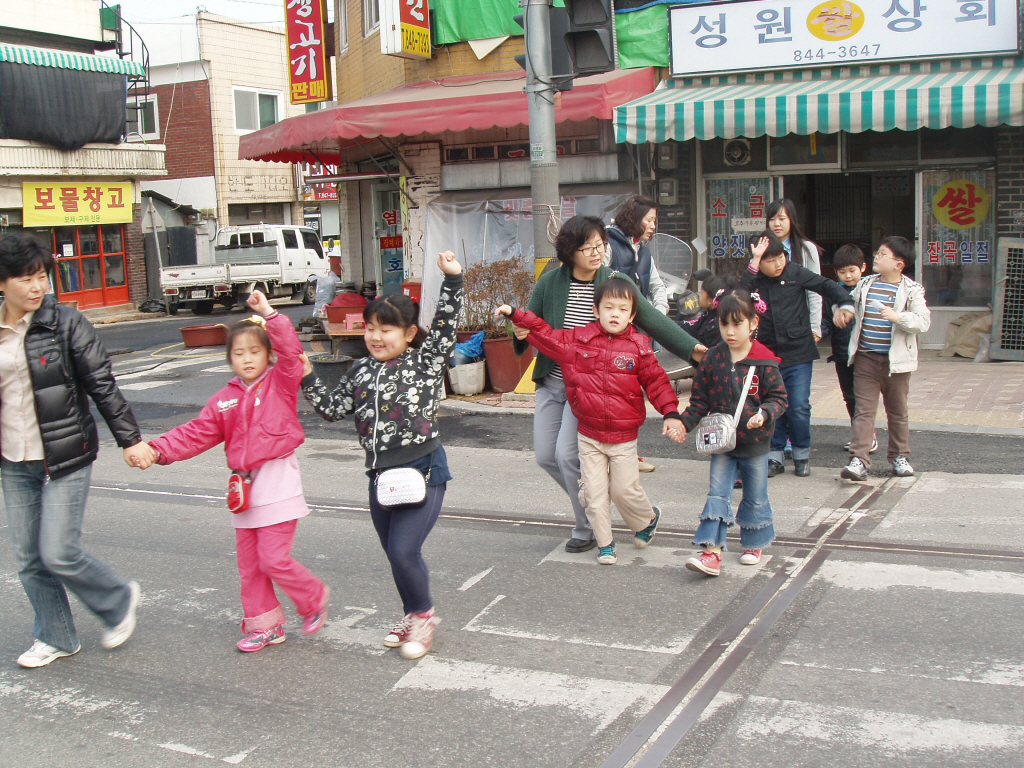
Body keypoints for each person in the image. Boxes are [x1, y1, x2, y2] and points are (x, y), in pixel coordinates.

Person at [135, 290, 329, 653]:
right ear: (230, 359)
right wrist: (155, 450)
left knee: (273, 559)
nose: (247, 359)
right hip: (244, 491)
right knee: (251, 565)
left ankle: (313, 597)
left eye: (254, 351)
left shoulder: (281, 382)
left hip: (279, 484)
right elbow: (195, 433)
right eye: (238, 353)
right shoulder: (223, 399)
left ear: (268, 354)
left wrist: (270, 313)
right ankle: (265, 625)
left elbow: (291, 352)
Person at [301, 251, 463, 660]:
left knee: (403, 551)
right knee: (396, 553)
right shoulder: (358, 370)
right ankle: (414, 613)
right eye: (370, 327)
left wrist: (453, 279)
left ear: (408, 334)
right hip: (380, 477)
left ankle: (422, 618)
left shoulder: (425, 362)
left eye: (385, 329)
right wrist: (306, 374)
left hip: (424, 470)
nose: (375, 336)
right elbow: (332, 409)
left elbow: (444, 325)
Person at [512, 216, 705, 554]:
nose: (596, 252)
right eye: (587, 247)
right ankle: (593, 500)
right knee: (546, 457)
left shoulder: (615, 281)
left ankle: (586, 526)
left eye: (600, 245)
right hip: (552, 381)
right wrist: (519, 334)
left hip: (587, 389)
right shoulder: (550, 281)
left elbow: (652, 319)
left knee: (567, 454)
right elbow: (533, 321)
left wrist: (691, 348)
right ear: (569, 252)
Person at [0, 232, 149, 669]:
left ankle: (117, 598)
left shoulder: (65, 323)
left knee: (58, 551)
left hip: (65, 454)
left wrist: (130, 440)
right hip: (14, 458)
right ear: (3, 283)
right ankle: (56, 637)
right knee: (29, 558)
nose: (36, 287)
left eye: (41, 276)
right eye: (26, 278)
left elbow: (102, 385)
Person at [496, 277, 686, 565]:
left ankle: (647, 518)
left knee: (623, 491)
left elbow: (657, 382)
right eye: (608, 307)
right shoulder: (578, 340)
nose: (614, 314)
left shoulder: (639, 346)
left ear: (632, 315)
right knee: (594, 495)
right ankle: (605, 544)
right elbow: (545, 334)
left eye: (622, 309)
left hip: (623, 438)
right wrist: (515, 314)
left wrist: (671, 413)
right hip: (589, 435)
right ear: (596, 310)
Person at [680, 289, 788, 577]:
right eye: (723, 324)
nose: (729, 331)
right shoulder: (712, 359)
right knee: (717, 494)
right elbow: (699, 400)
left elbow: (779, 398)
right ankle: (711, 552)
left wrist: (764, 414)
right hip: (721, 443)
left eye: (737, 324)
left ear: (753, 323)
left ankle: (754, 542)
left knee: (755, 494)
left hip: (756, 442)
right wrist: (683, 423)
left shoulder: (765, 361)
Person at [740, 231, 854, 477]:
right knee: (771, 405)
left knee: (799, 406)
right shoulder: (754, 278)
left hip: (799, 352)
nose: (778, 263)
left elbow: (826, 285)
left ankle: (802, 453)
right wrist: (754, 263)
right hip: (768, 354)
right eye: (770, 260)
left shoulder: (794, 273)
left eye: (781, 257)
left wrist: (845, 304)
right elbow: (738, 295)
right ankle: (775, 456)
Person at [835, 236, 930, 481]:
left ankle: (899, 457)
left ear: (899, 264)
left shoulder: (912, 289)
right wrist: (843, 311)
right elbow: (848, 301)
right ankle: (859, 460)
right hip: (865, 357)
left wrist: (898, 317)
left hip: (896, 363)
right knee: (863, 411)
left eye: (883, 254)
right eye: (877, 252)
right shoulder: (866, 284)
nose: (876, 257)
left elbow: (923, 321)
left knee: (897, 411)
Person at [606, 195, 668, 472]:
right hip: (610, 337)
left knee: (632, 396)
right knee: (611, 394)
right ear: (635, 218)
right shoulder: (608, 244)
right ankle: (606, 455)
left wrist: (659, 316)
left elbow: (656, 286)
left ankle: (629, 455)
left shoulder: (643, 251)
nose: (654, 225)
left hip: (636, 335)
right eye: (650, 219)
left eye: (655, 220)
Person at [820, 244, 877, 454]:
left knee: (863, 396)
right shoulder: (833, 293)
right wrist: (817, 334)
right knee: (849, 396)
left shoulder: (870, 290)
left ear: (863, 267)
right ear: (835, 273)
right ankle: (860, 434)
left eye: (852, 270)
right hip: (842, 353)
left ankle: (866, 436)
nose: (848, 276)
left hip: (865, 353)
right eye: (842, 272)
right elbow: (826, 320)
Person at [766, 199, 823, 341]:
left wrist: (815, 326)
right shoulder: (762, 248)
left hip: (799, 323)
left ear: (792, 220)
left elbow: (815, 290)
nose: (776, 224)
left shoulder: (806, 249)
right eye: (772, 219)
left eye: (782, 218)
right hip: (770, 323)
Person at [680, 272, 730, 349]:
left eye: (701, 292)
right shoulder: (707, 317)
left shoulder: (716, 325)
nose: (699, 294)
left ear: (710, 300)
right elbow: (689, 328)